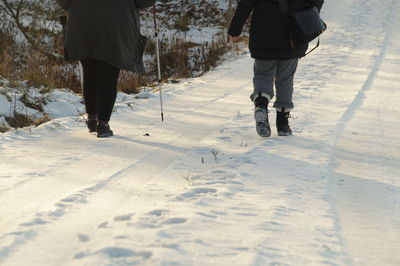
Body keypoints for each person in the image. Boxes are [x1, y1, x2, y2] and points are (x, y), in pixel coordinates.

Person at [57, 0, 155, 137]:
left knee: (89, 72)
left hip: (82, 26)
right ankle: (102, 124)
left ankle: (92, 119)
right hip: (114, 28)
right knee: (109, 74)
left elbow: (63, 2)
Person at [228, 0, 324, 137]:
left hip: (262, 36)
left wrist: (235, 29)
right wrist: (309, 13)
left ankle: (261, 104)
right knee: (285, 79)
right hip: (292, 35)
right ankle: (283, 124)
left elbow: (245, 4)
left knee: (262, 75)